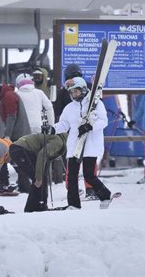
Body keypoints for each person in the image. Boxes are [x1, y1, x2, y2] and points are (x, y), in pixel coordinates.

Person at [43, 77, 112, 209]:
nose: (74, 95)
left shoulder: (96, 104)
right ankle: (73, 204)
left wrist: (90, 126)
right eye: (72, 92)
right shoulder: (69, 108)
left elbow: (104, 121)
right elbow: (64, 124)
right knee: (72, 176)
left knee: (89, 175)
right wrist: (52, 129)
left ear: (83, 89)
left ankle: (105, 195)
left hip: (90, 144)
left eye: (76, 91)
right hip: (75, 145)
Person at [0, 83, 31, 193]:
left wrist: (7, 135)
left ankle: (4, 183)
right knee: (18, 159)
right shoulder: (8, 94)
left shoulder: (8, 96)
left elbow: (11, 117)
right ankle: (24, 185)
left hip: (17, 133)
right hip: (20, 132)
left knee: (4, 155)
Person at [9, 132, 68, 212]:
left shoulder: (56, 139)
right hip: (20, 149)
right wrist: (39, 177)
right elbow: (42, 155)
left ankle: (39, 205)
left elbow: (45, 159)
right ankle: (33, 207)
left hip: (19, 148)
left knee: (40, 178)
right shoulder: (58, 142)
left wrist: (42, 176)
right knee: (37, 178)